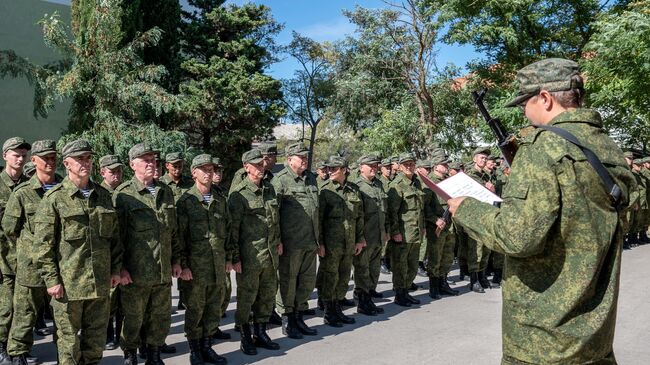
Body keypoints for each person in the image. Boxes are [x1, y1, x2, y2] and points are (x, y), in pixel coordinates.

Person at [448, 58, 636, 364]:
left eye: (524, 101)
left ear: (545, 98)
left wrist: (466, 209)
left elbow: (517, 236)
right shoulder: (607, 146)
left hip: (542, 340)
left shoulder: (541, 148)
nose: (523, 111)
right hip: (595, 335)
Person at [34, 139, 122, 365]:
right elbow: (43, 245)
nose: (85, 162)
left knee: (95, 342)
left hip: (100, 284)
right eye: (79, 159)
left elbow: (115, 239)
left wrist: (115, 269)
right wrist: (52, 280)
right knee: (69, 344)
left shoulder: (103, 196)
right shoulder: (55, 198)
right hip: (68, 286)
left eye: (88, 158)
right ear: (67, 163)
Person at [113, 142, 182, 365]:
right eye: (146, 160)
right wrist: (120, 267)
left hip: (162, 270)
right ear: (133, 164)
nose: (151, 164)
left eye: (153, 160)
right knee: (133, 318)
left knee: (160, 317)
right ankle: (131, 353)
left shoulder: (166, 191)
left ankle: (153, 352)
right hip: (135, 273)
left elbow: (174, 231)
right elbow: (117, 238)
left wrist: (176, 260)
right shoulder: (123, 195)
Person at [2, 140, 60, 365]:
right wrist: (31, 246)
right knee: (24, 314)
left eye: (53, 158)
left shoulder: (63, 188)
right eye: (45, 158)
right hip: (30, 266)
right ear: (34, 161)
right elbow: (9, 228)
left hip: (60, 265)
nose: (50, 162)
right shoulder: (23, 193)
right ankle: (18, 354)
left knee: (62, 316)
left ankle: (65, 354)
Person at [176, 154, 231, 365]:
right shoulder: (185, 201)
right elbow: (179, 237)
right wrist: (183, 265)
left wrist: (229, 258)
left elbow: (228, 232)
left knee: (213, 309)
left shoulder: (219, 200)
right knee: (195, 310)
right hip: (195, 269)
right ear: (194, 173)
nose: (209, 173)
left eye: (211, 169)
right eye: (204, 169)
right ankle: (195, 350)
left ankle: (208, 346)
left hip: (217, 266)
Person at [229, 149, 281, 355]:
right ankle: (245, 335)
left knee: (267, 295)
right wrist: (234, 257)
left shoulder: (269, 189)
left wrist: (278, 242)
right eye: (257, 164)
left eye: (263, 164)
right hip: (249, 255)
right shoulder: (238, 195)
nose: (261, 168)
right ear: (246, 167)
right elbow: (232, 230)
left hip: (269, 253)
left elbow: (274, 221)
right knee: (246, 297)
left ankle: (260, 332)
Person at [271, 142, 319, 339]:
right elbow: (273, 215)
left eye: (306, 157)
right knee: (288, 282)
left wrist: (319, 240)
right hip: (291, 243)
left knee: (306, 282)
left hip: (310, 241)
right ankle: (287, 319)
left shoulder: (311, 179)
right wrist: (278, 240)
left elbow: (317, 212)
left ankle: (299, 316)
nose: (305, 160)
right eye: (301, 157)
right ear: (289, 160)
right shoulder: (280, 181)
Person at [317, 156, 364, 327]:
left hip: (349, 242)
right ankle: (329, 312)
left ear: (344, 169)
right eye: (328, 169)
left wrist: (360, 239)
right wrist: (320, 243)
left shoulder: (353, 190)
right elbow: (319, 220)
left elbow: (359, 217)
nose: (330, 172)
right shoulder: (324, 191)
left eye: (334, 169)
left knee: (344, 277)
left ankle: (338, 309)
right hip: (331, 244)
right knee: (330, 277)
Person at [0, 137, 31, 365]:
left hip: (26, 259)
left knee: (24, 308)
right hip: (3, 258)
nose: (20, 159)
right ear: (5, 156)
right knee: (6, 308)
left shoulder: (30, 185)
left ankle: (17, 349)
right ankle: (2, 347)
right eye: (16, 155)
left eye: (23, 155)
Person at [386, 153, 426, 307]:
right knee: (400, 265)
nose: (409, 167)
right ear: (400, 167)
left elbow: (419, 209)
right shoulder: (396, 185)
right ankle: (399, 294)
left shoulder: (416, 183)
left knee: (412, 265)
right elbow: (392, 212)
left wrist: (422, 227)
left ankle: (406, 290)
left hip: (415, 232)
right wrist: (395, 232)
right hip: (403, 233)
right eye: (406, 164)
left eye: (411, 164)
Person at [353, 154, 387, 314]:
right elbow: (357, 216)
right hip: (366, 237)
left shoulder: (378, 184)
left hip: (378, 236)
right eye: (370, 166)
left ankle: (369, 296)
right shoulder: (357, 186)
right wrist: (359, 238)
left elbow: (384, 211)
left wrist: (385, 231)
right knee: (362, 270)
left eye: (376, 165)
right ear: (361, 167)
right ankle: (362, 301)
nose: (374, 168)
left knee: (374, 269)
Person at [98, 154, 125, 350]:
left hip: (126, 251)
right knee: (108, 299)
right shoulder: (99, 194)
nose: (116, 175)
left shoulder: (126, 193)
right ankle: (107, 334)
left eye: (119, 171)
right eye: (112, 171)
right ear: (102, 172)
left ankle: (120, 335)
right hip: (107, 254)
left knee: (124, 300)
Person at [425, 149, 459, 299]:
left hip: (450, 223)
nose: (446, 166)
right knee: (435, 257)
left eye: (446, 164)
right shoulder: (429, 182)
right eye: (443, 164)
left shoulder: (448, 181)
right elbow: (425, 206)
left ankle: (443, 282)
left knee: (447, 255)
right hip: (437, 225)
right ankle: (434, 287)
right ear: (435, 166)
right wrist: (434, 219)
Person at [463, 147, 496, 293]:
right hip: (475, 217)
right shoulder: (469, 176)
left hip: (486, 215)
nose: (484, 160)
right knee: (475, 249)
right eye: (481, 157)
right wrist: (487, 189)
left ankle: (482, 276)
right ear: (474, 159)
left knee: (486, 248)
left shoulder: (485, 176)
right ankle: (474, 279)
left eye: (485, 158)